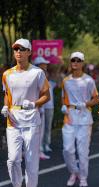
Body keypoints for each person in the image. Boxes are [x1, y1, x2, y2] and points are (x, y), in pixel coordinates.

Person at [1, 38, 50, 187]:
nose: (18, 52)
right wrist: (5, 107)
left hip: (31, 121)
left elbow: (46, 96)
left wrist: (34, 103)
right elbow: (7, 95)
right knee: (13, 159)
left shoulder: (37, 73)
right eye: (16, 49)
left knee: (31, 160)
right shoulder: (7, 74)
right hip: (13, 121)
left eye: (22, 49)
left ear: (29, 52)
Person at [61, 52, 99, 187]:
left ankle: (83, 177)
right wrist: (64, 107)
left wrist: (85, 104)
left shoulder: (88, 80)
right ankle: (74, 171)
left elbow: (96, 98)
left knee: (83, 152)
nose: (75, 62)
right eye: (73, 60)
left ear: (82, 63)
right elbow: (63, 98)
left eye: (78, 60)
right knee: (67, 150)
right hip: (69, 118)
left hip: (84, 119)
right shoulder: (66, 81)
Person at [33, 56, 51, 160]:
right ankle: (38, 152)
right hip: (38, 108)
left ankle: (30, 152)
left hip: (34, 107)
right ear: (39, 65)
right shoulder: (39, 75)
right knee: (39, 132)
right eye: (44, 64)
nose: (46, 65)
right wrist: (39, 107)